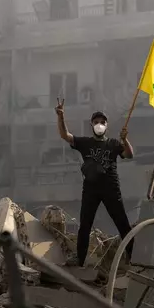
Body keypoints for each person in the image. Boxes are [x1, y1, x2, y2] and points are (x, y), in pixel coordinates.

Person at [55, 97, 135, 267]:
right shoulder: (85, 143)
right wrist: (61, 116)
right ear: (92, 125)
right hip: (91, 189)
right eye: (96, 121)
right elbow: (65, 135)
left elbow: (129, 155)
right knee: (85, 223)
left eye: (102, 122)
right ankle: (80, 259)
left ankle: (133, 256)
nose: (99, 124)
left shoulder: (114, 144)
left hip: (111, 189)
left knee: (122, 222)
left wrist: (125, 139)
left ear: (106, 125)